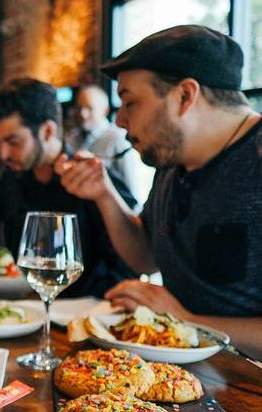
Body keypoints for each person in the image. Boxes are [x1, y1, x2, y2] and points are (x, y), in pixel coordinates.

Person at [55, 25, 262, 358]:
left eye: (129, 102)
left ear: (185, 96)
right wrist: (104, 194)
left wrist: (186, 320)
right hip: (185, 371)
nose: (120, 121)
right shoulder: (172, 160)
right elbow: (146, 256)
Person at [0, 78, 137, 298]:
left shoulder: (92, 179)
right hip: (22, 308)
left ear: (48, 131)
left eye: (13, 141)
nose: (4, 154)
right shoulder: (9, 180)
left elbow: (127, 266)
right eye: (0, 142)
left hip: (81, 316)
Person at [65, 84, 154, 205]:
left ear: (105, 110)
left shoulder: (119, 139)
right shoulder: (71, 138)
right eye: (79, 107)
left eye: (89, 108)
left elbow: (133, 193)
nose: (82, 114)